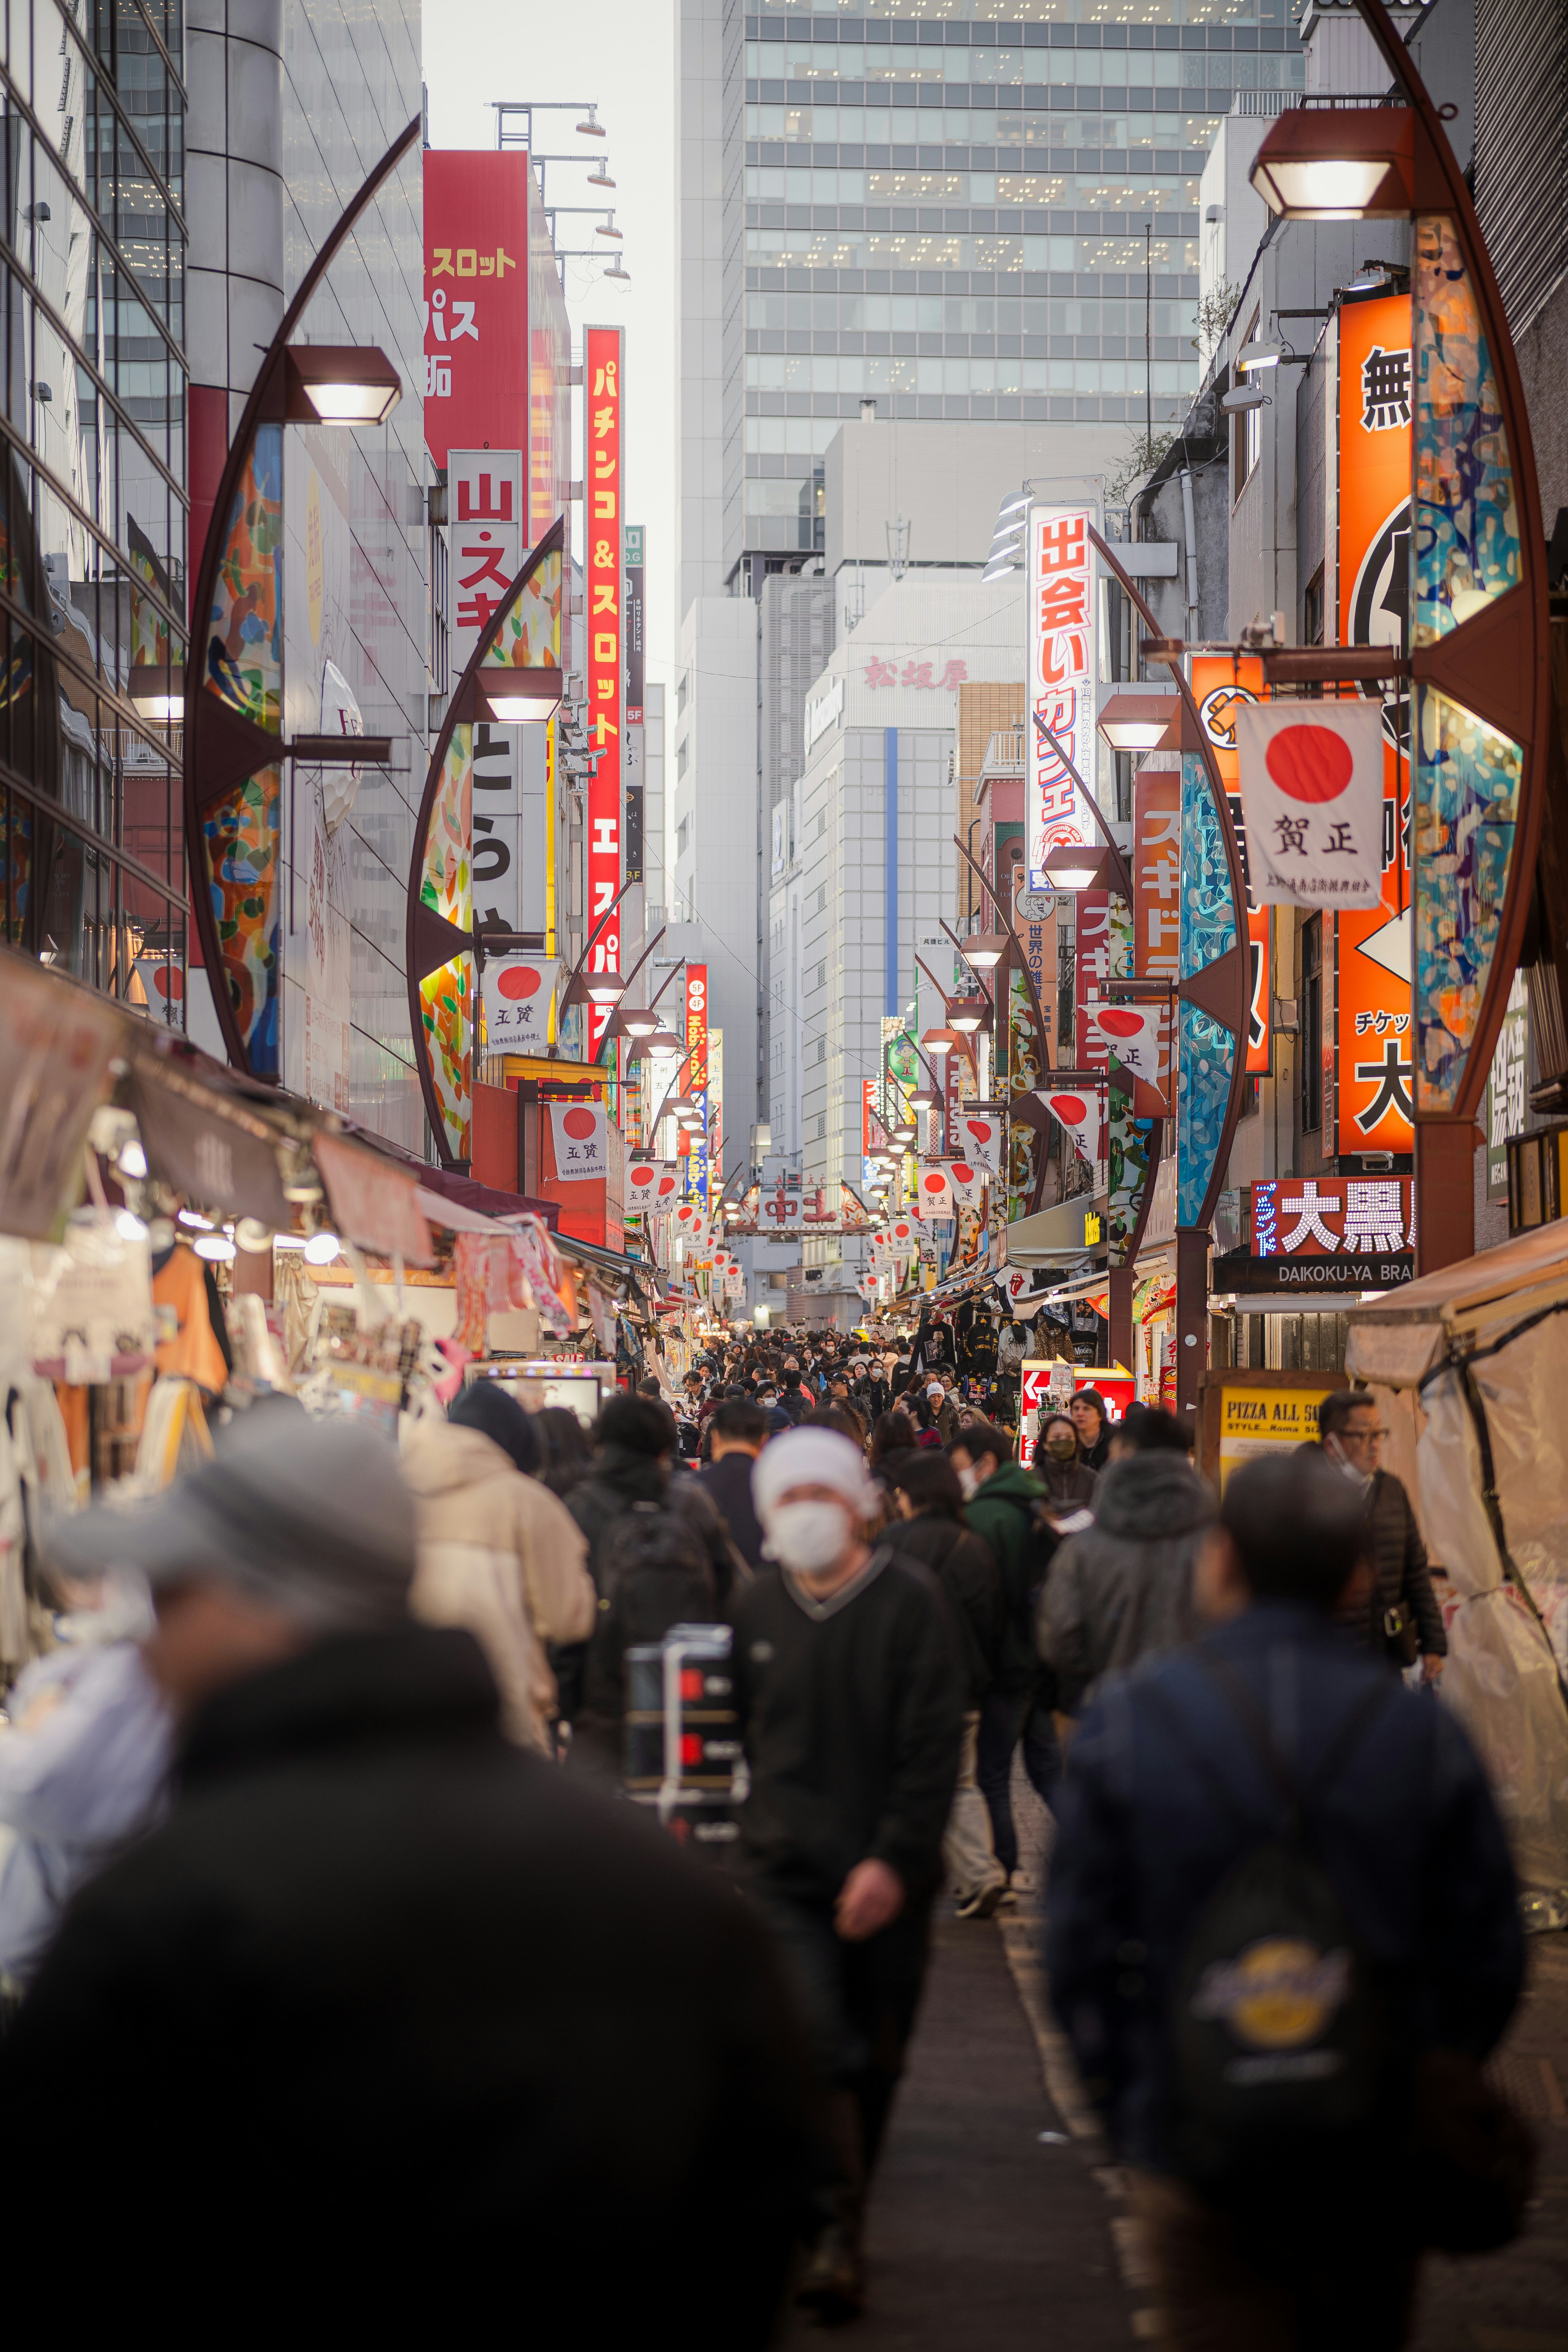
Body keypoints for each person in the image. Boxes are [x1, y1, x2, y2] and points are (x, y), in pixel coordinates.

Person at [0, 1414, 818, 2335]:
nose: (152, 1639)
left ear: (259, 1601)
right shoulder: (651, 1885)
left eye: (172, 1592)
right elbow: (759, 2190)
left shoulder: (162, 1916)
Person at [1046, 1449, 1524, 2352]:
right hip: (1371, 2141)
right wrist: (1423, 2068)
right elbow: (1490, 1952)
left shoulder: (1133, 1721)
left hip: (1197, 2133)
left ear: (1217, 1558)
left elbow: (1077, 1949)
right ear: (1357, 1577)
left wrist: (1132, 2105)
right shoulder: (1423, 1737)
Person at [733, 1427, 964, 2319]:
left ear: (859, 1506)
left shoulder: (911, 1603)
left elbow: (932, 1742)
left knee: (876, 2056)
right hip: (784, 1868)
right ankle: (828, 2229)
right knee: (815, 2042)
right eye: (786, 1501)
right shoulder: (756, 1605)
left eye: (818, 1498)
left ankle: (842, 2201)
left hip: (888, 1875)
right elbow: (748, 1729)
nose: (804, 1517)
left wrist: (895, 1858)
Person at [0, 1568, 172, 1996]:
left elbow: (37, 1784)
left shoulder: (133, 1676)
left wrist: (20, 1735)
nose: (75, 1594)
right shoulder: (107, 1663)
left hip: (75, 1956)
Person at [401, 1381, 597, 1752]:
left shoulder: (391, 1492)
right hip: (503, 1717)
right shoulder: (527, 1502)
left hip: (402, 1718)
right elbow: (567, 1619)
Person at [887, 1452, 1007, 1920]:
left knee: (898, 1781)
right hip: (963, 1685)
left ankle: (901, 1875)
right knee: (961, 1784)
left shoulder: (894, 1542)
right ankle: (981, 1874)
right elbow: (989, 1620)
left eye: (901, 1493)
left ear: (915, 1494)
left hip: (906, 1685)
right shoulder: (973, 1545)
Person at [947, 1420, 1058, 1891]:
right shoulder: (1038, 1499)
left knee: (991, 1771)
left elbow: (984, 1599)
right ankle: (1103, 1845)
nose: (958, 1480)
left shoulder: (985, 1517)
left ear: (986, 1464)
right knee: (1046, 1763)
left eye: (960, 1469)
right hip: (1040, 1654)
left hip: (1004, 1660)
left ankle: (1003, 1863)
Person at [1038, 1427, 1216, 1718]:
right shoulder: (1215, 1547)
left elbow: (1058, 1637)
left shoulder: (1084, 1549)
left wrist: (1093, 1681)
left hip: (1105, 1713)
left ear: (1129, 1456)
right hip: (1191, 1716)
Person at [1317, 1390, 1447, 1682]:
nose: (1375, 1446)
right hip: (1329, 1660)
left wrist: (1432, 1644)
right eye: (1364, 1436)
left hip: (1386, 1654)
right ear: (1332, 1444)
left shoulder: (1392, 1490)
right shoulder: (1306, 1499)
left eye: (1379, 1434)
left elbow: (1415, 1571)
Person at [697, 1395, 769, 1571]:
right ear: (764, 1440)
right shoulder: (781, 1488)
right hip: (765, 1589)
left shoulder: (693, 1488)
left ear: (715, 1437)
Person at [1035, 1412, 1098, 1509]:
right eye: (1057, 1437)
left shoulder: (1092, 1479)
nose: (1063, 1441)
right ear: (1045, 1444)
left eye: (1069, 1437)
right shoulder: (1033, 1479)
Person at [1069, 1386, 1113, 1472]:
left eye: (1086, 1409)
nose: (1080, 1414)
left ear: (1100, 1414)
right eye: (1076, 1409)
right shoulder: (1068, 1439)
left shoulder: (1114, 1440)